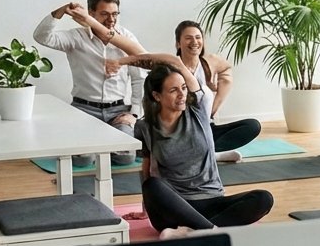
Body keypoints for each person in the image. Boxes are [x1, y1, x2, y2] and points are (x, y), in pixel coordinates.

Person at [106, 52, 273, 234]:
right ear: (157, 96)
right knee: (152, 185)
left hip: (212, 200)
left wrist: (124, 61)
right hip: (174, 208)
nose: (182, 95)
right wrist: (145, 209)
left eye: (184, 88)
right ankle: (209, 232)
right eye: (173, 90)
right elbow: (146, 168)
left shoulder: (198, 108)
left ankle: (197, 231)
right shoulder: (145, 127)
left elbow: (175, 62)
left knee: (263, 199)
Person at [33, 0, 147, 166]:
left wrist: (134, 114)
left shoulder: (126, 37)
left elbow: (139, 77)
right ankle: (89, 144)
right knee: (84, 160)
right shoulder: (76, 37)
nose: (111, 19)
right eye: (104, 14)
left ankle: (103, 143)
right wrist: (60, 11)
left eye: (115, 14)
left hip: (118, 111)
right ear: (91, 14)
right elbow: (42, 37)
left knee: (126, 158)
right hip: (84, 110)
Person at [174, 20, 261, 163]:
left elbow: (226, 68)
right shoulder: (172, 68)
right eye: (188, 38)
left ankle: (207, 152)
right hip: (183, 129)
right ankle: (208, 154)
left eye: (198, 37)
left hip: (207, 127)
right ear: (178, 44)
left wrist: (214, 105)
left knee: (252, 125)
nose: (194, 42)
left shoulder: (209, 63)